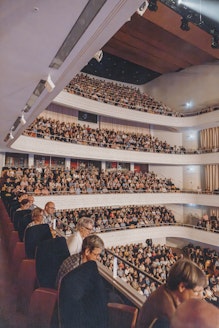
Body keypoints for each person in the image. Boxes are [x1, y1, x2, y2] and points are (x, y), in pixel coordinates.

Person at [136, 258, 207, 328]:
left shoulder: (167, 290)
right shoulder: (165, 318)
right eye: (197, 292)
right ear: (182, 287)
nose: (200, 297)